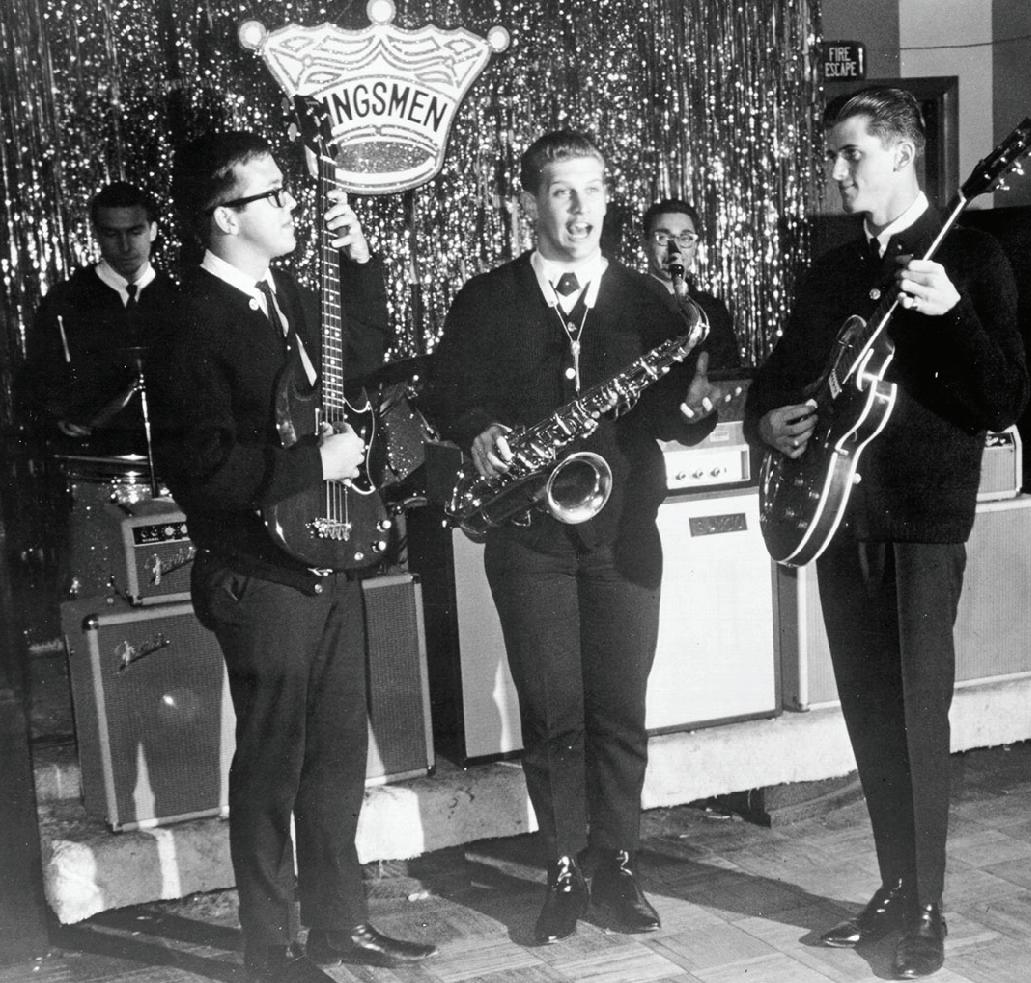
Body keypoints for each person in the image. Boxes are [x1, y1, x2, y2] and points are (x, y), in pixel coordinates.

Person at [744, 87, 1028, 980]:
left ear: (902, 153)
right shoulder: (832, 271)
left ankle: (929, 906)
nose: (836, 171)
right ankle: (896, 885)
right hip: (840, 517)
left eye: (851, 153)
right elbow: (780, 376)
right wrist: (767, 422)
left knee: (915, 715)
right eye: (833, 154)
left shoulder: (971, 257)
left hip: (921, 523)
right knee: (869, 714)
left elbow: (1003, 400)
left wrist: (953, 314)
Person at [146, 131, 435, 983]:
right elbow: (202, 469)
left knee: (337, 759)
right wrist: (316, 463)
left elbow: (364, 357)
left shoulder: (286, 295)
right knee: (272, 767)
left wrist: (359, 255)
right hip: (259, 574)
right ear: (224, 217)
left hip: (329, 560)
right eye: (271, 193)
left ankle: (339, 924)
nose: (288, 204)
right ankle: (269, 948)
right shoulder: (187, 320)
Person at [422, 129, 723, 945]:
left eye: (593, 189)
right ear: (528, 204)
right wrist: (478, 429)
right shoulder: (485, 298)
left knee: (620, 707)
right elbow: (443, 390)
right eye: (562, 190)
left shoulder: (651, 303)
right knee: (552, 710)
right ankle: (561, 865)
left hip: (624, 537)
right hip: (528, 535)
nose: (581, 207)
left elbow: (671, 414)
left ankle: (617, 863)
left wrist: (695, 414)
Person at [21, 181, 179, 456]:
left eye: (135, 232)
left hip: (175, 460)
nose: (125, 246)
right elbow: (35, 385)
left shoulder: (183, 300)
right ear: (96, 234)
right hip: (94, 460)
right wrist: (58, 418)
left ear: (153, 231)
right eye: (111, 234)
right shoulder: (64, 301)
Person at [641, 197, 740, 370]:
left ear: (695, 246)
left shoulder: (714, 309)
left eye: (685, 238)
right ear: (645, 244)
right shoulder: (622, 304)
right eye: (662, 237)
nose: (675, 249)